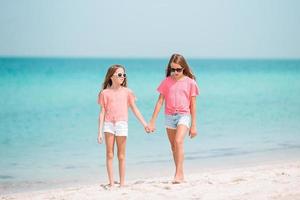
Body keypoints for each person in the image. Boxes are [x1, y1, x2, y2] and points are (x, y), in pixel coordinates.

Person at [148, 53, 199, 183]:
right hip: (169, 117)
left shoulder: (190, 83)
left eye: (178, 69)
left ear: (184, 68)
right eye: (173, 69)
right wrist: (152, 121)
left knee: (178, 142)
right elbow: (160, 102)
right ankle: (180, 174)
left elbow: (193, 105)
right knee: (173, 147)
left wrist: (193, 125)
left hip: (184, 115)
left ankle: (178, 174)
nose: (175, 72)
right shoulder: (166, 82)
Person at [97, 64, 149, 188]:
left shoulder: (128, 92)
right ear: (111, 77)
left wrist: (145, 124)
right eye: (119, 75)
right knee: (109, 154)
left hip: (122, 124)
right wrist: (99, 132)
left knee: (121, 155)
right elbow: (102, 112)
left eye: (124, 75)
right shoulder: (104, 93)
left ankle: (122, 183)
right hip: (108, 125)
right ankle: (111, 183)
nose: (122, 77)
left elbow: (135, 109)